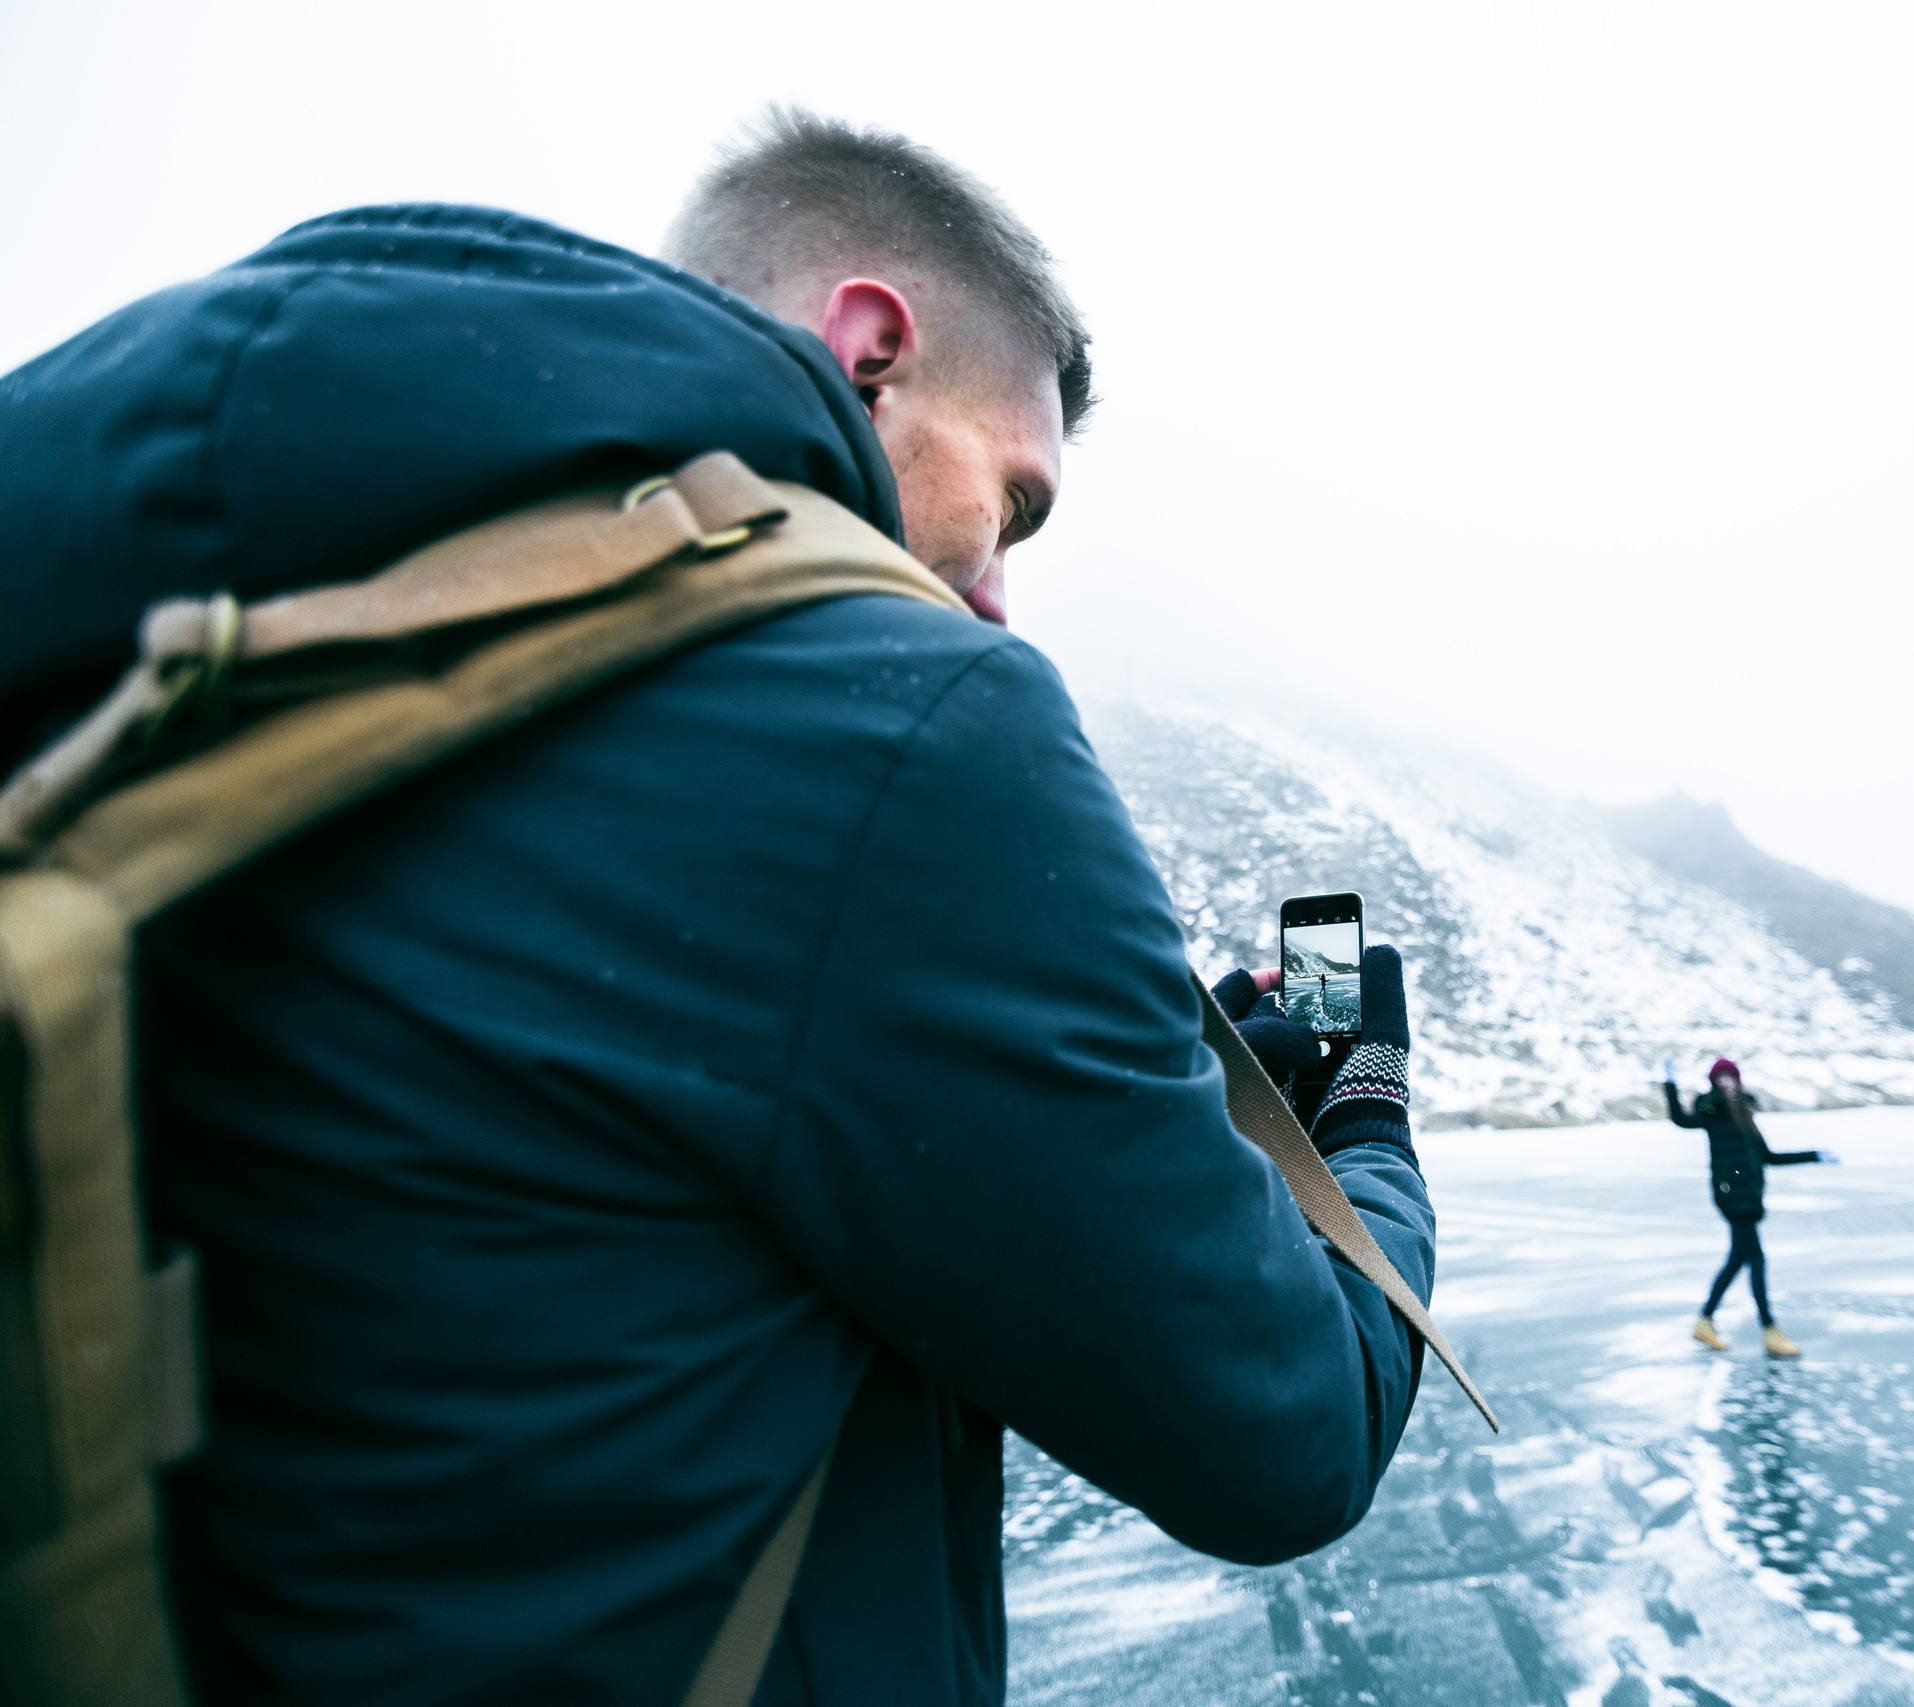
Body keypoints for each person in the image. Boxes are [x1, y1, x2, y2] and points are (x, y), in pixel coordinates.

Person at [0, 111, 1433, 1706]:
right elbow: (1285, 1430)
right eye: (1012, 503)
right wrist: (1359, 1121)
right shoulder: (892, 726)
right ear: (869, 348)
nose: (998, 594)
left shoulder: (101, 590)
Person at [1661, 1055, 1835, 1357]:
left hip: (1748, 1197)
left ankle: (1705, 1322)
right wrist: (1670, 1084)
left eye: (1731, 1077)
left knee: (1737, 1260)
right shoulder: (1711, 1112)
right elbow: (1680, 1119)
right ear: (1714, 1083)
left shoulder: (1745, 1115)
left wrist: (1815, 1155)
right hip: (1731, 1196)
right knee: (1756, 1258)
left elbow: (1769, 1157)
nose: (1727, 1083)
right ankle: (1769, 1330)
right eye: (1721, 1078)